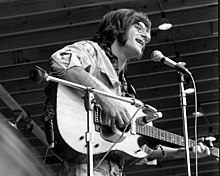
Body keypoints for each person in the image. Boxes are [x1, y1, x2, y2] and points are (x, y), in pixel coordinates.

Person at [43, 8, 210, 176]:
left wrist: (181, 153)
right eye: (139, 27)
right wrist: (107, 100)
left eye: (148, 33)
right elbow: (61, 61)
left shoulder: (127, 91)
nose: (147, 36)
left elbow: (135, 148)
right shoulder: (92, 51)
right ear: (117, 27)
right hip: (84, 168)